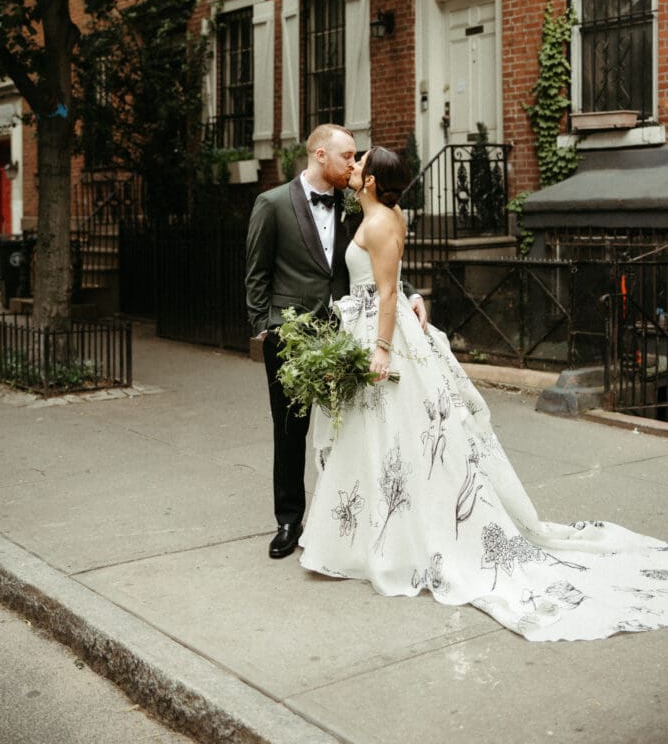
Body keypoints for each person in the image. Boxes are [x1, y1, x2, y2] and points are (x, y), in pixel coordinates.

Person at [298, 146, 668, 641]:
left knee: (400, 437)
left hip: (383, 336)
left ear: (369, 180)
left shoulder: (384, 220)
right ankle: (374, 535)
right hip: (366, 325)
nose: (353, 166)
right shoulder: (375, 213)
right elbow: (392, 284)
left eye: (359, 163)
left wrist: (382, 350)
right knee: (382, 441)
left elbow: (385, 292)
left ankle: (401, 542)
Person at [246, 125, 426, 560]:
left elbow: (381, 259)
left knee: (346, 428)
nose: (353, 163)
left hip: (348, 330)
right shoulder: (271, 204)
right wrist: (263, 326)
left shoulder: (356, 205)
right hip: (291, 333)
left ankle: (338, 519)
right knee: (290, 428)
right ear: (320, 154)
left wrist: (412, 294)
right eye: (347, 155)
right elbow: (256, 273)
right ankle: (289, 519)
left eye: (356, 157)